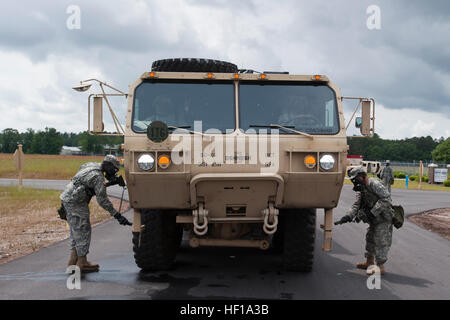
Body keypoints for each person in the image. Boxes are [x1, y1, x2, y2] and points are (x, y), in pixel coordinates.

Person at [60, 155, 131, 273]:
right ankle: (81, 263)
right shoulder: (98, 177)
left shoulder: (91, 165)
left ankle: (73, 261)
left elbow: (85, 181)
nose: (113, 172)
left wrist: (105, 184)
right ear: (107, 165)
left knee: (76, 231)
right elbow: (102, 200)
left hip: (68, 199)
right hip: (76, 204)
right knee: (83, 230)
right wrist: (117, 215)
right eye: (113, 169)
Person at [335, 167, 394, 275]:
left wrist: (372, 212)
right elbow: (357, 204)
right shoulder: (361, 188)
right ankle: (369, 262)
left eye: (355, 179)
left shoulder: (374, 184)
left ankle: (380, 267)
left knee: (381, 241)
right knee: (370, 239)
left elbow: (386, 199)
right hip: (374, 219)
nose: (354, 182)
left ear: (361, 176)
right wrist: (348, 216)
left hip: (383, 218)